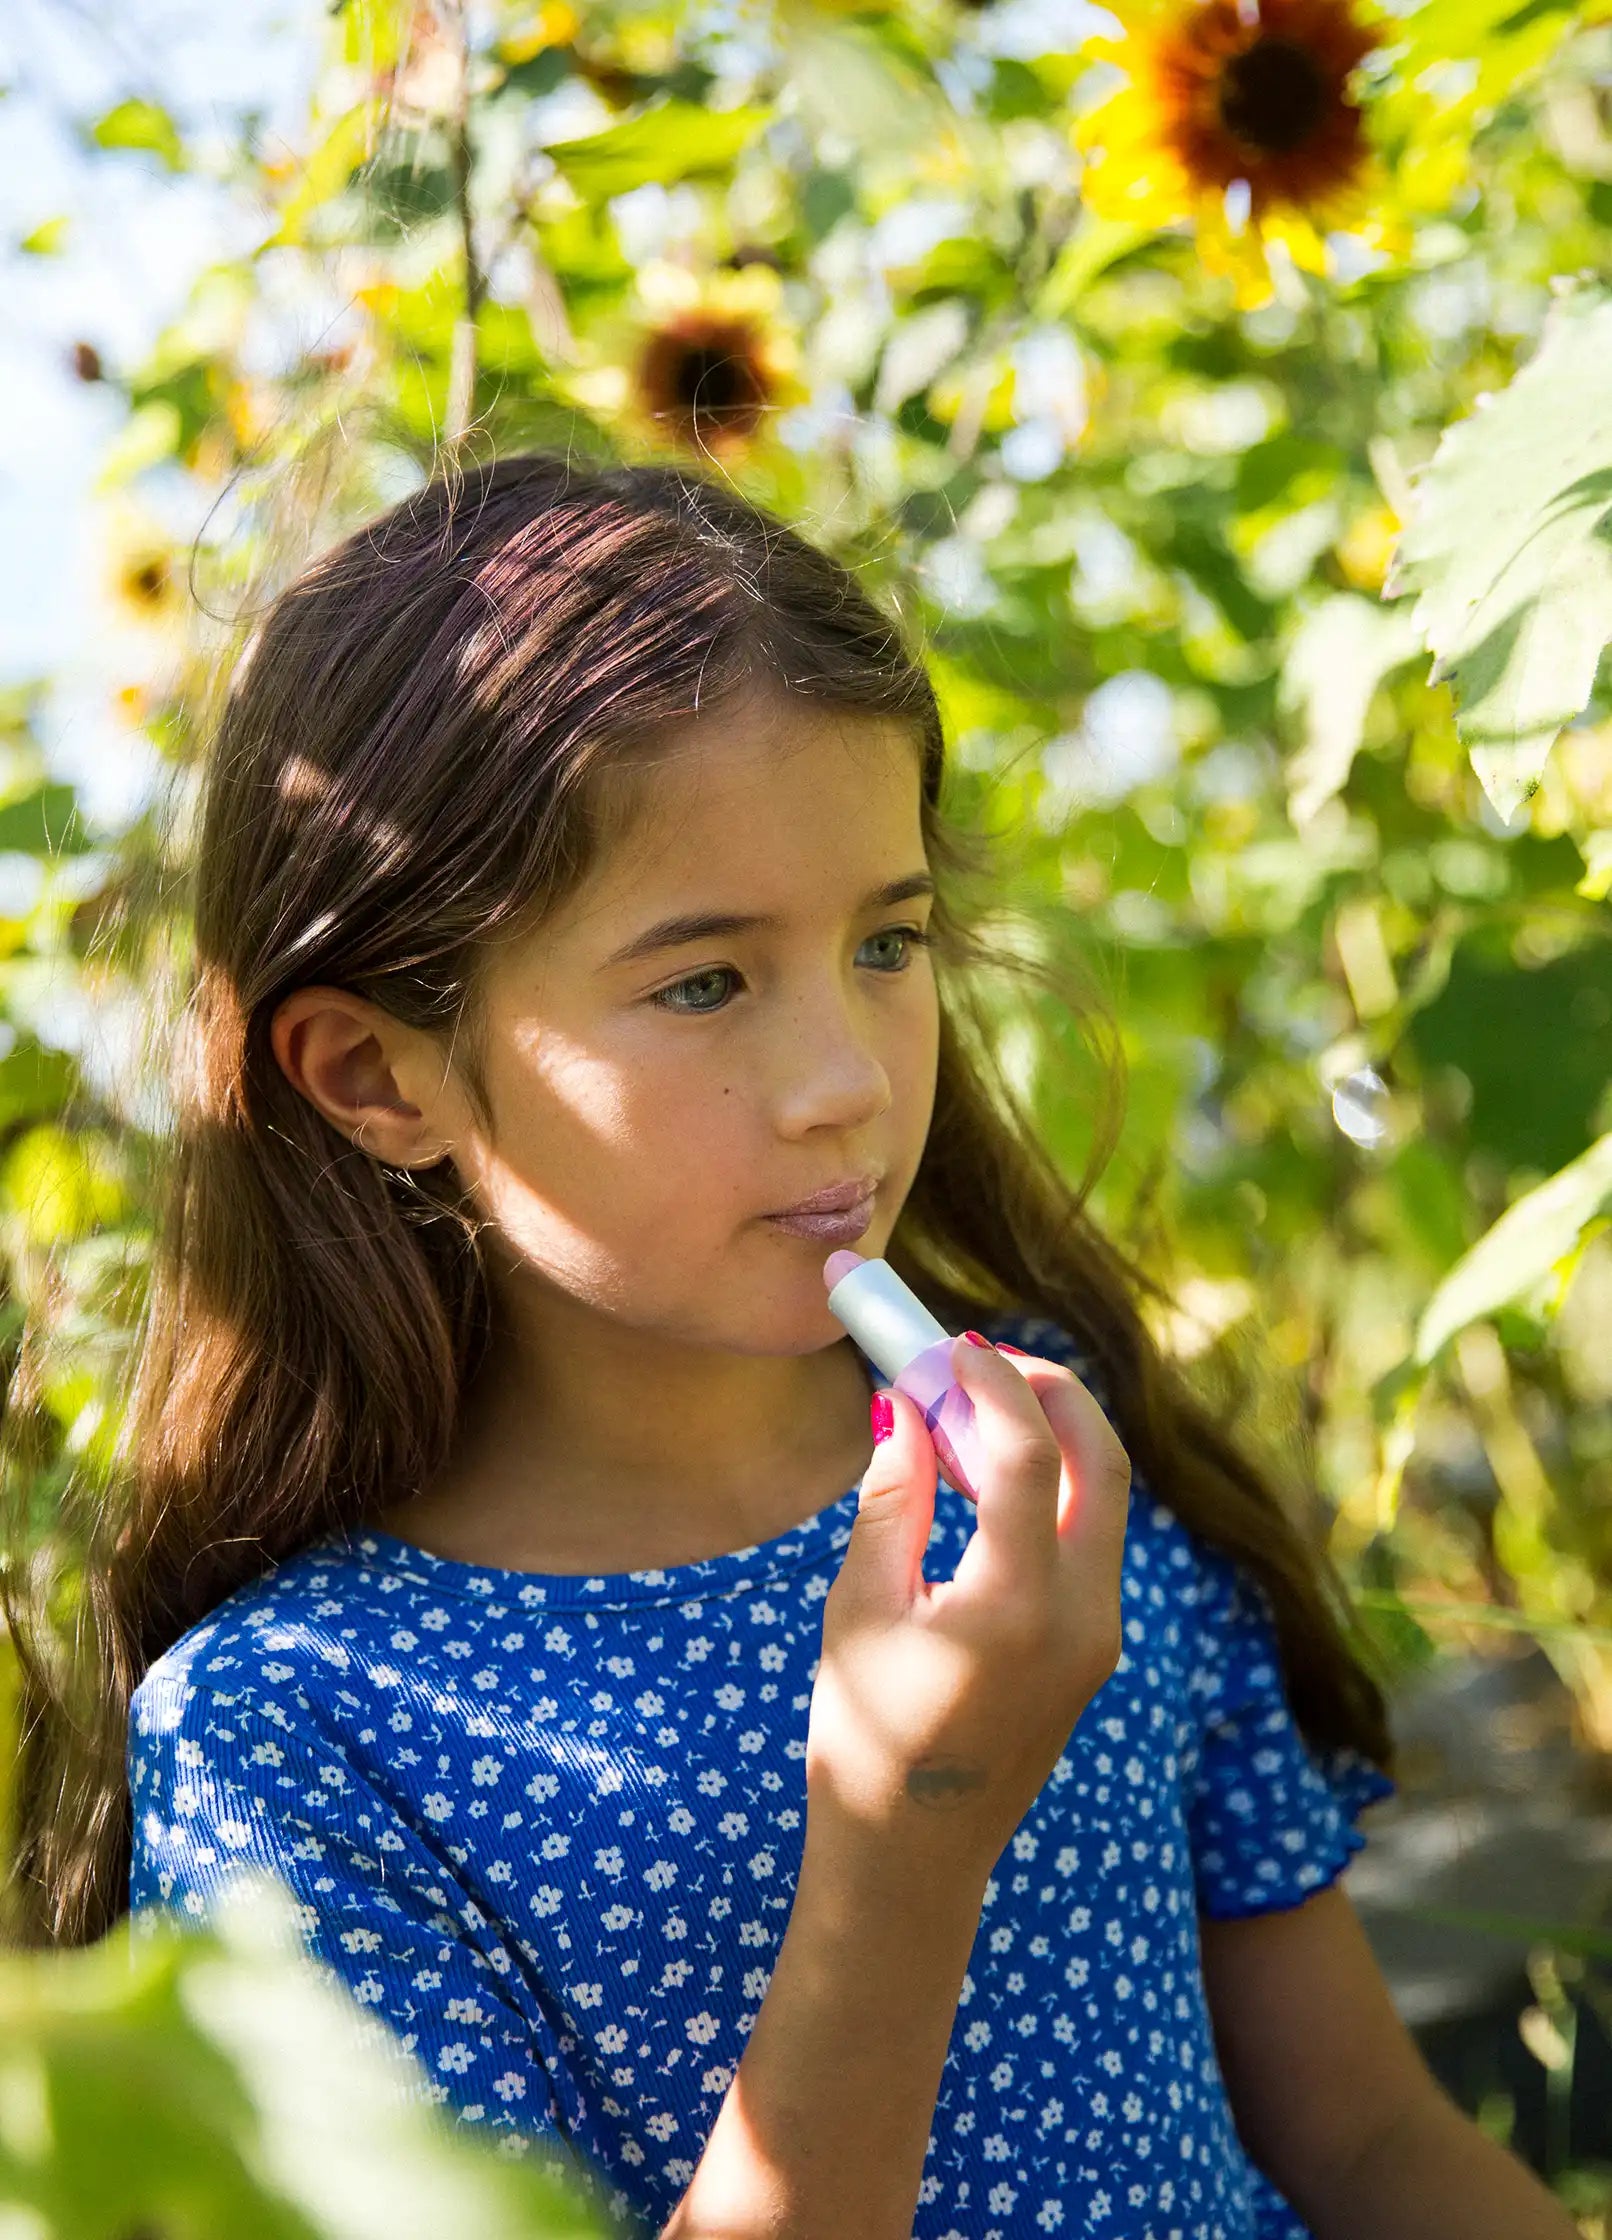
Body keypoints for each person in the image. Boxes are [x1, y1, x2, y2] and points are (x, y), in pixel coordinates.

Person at [5, 453, 1574, 2240]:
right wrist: (904, 1845)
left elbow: (1368, 2143)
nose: (849, 1083)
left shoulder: (1054, 1463)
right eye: (703, 981)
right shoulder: (301, 1735)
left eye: (890, 942)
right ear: (383, 1075)